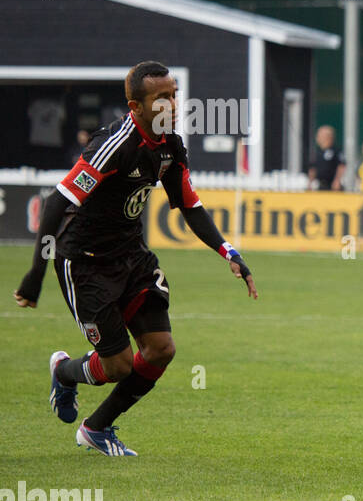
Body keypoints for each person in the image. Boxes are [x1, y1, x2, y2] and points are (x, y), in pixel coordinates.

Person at [13, 61, 258, 458]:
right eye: (163, 98)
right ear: (135, 106)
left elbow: (190, 206)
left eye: (175, 95)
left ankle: (96, 428)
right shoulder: (113, 146)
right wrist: (36, 272)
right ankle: (63, 371)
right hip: (86, 261)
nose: (173, 105)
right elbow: (58, 201)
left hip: (132, 256)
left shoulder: (169, 145)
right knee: (118, 366)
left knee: (161, 348)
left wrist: (229, 252)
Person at [307, 125, 343, 190]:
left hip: (332, 185)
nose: (317, 138)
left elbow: (341, 166)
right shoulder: (317, 152)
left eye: (320, 136)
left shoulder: (336, 151)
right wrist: (310, 182)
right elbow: (312, 168)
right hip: (319, 184)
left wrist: (337, 180)